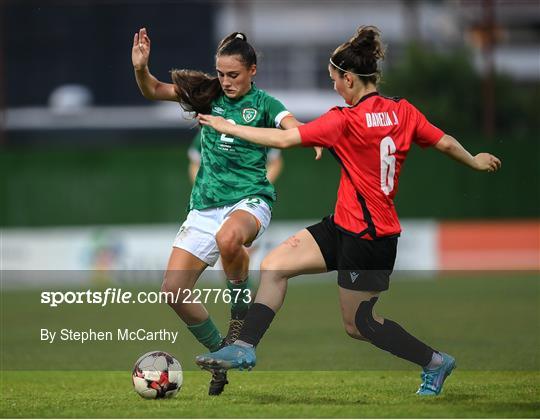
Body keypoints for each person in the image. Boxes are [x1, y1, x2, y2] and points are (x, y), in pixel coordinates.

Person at [194, 25, 502, 396]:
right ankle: (244, 348)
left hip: (371, 238)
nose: (334, 87)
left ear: (351, 79)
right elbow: (445, 141)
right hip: (344, 226)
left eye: (335, 80)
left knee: (359, 325)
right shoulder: (403, 112)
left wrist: (229, 127)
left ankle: (436, 362)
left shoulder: (345, 120)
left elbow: (283, 139)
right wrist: (475, 160)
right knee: (274, 266)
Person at [132, 27, 319, 396]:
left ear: (252, 70)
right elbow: (153, 89)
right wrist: (141, 68)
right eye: (220, 73)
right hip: (204, 206)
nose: (226, 81)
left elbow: (290, 125)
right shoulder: (207, 95)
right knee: (173, 291)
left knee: (229, 237)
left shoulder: (265, 104)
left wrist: (308, 136)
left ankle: (239, 319)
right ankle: (221, 355)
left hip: (251, 199)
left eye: (233, 74)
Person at [187, 130, 283, 185]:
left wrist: (260, 187)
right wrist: (203, 187)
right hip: (216, 194)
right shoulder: (210, 131)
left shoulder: (259, 130)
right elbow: (195, 163)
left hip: (248, 194)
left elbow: (275, 162)